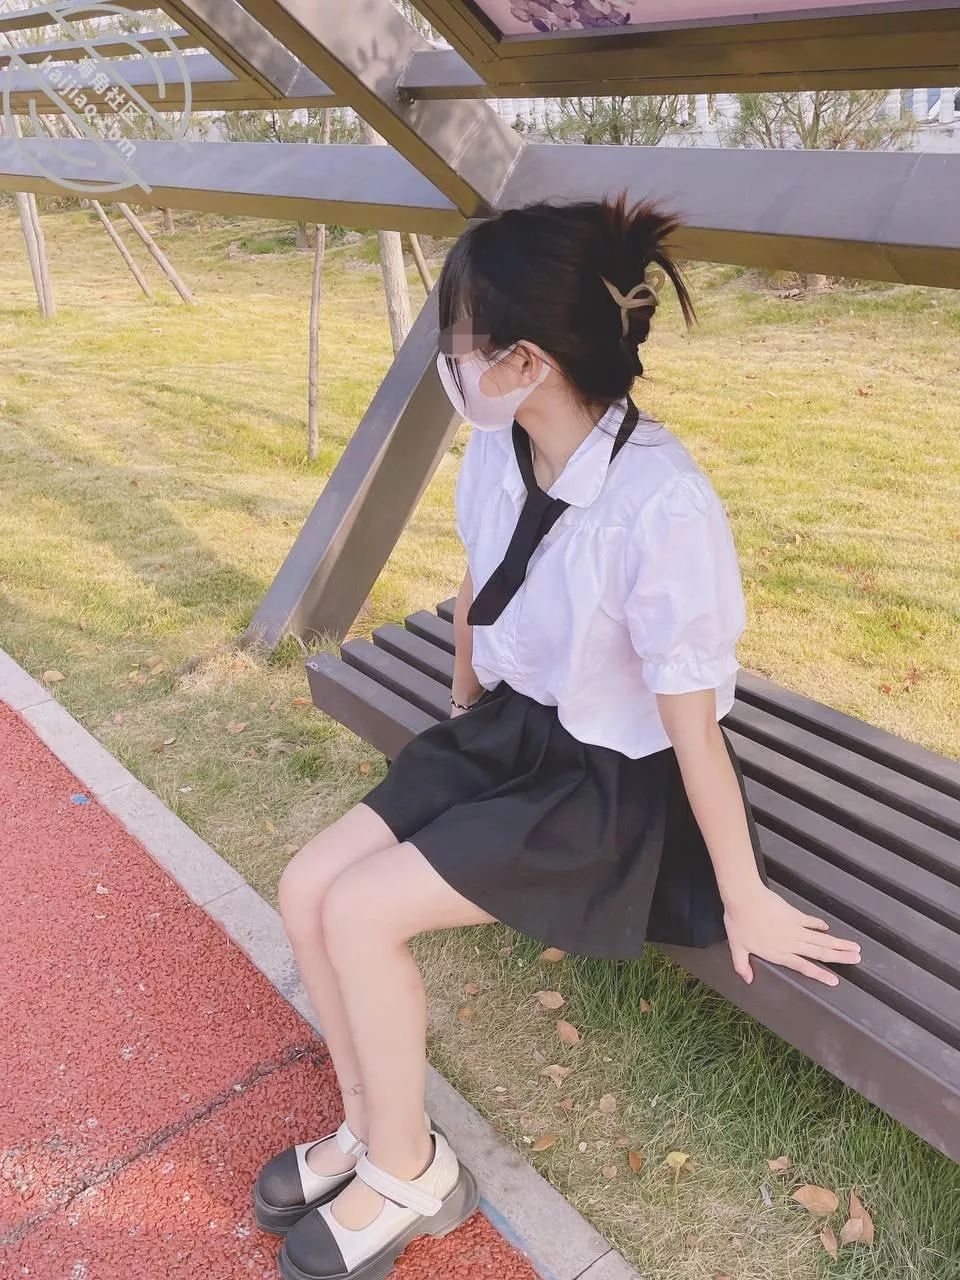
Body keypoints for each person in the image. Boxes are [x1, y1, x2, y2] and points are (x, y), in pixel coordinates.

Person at [253, 193, 863, 1280]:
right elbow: (480, 580)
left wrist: (746, 892)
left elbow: (690, 726)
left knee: (360, 910)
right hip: (511, 734)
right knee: (308, 886)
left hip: (610, 784)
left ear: (526, 359)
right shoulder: (501, 444)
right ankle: (370, 1125)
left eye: (462, 339)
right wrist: (459, 716)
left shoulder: (661, 502)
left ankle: (412, 1173)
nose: (450, 359)